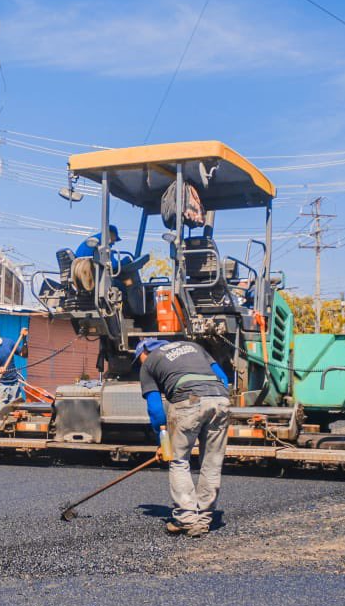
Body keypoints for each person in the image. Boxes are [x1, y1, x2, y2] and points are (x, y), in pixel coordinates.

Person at [136, 338, 231, 537]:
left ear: (144, 352)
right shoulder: (194, 347)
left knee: (179, 461)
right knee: (212, 462)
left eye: (139, 359)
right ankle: (204, 519)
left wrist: (163, 442)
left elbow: (155, 409)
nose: (140, 362)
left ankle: (187, 519)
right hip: (220, 398)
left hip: (188, 400)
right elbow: (223, 378)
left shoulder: (149, 363)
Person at [70, 224, 132, 293]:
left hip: (82, 276)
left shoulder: (91, 240)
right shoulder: (102, 244)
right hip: (92, 277)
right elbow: (113, 265)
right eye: (115, 238)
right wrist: (125, 261)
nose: (114, 243)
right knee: (127, 284)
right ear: (111, 234)